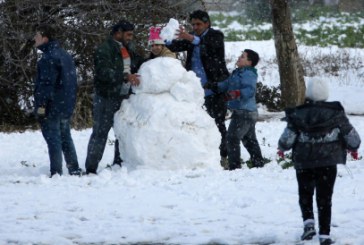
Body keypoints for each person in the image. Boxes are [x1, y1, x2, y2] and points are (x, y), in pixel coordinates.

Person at [277, 78, 361, 245]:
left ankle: (308, 225)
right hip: (328, 162)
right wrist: (353, 147)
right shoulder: (336, 113)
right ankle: (324, 234)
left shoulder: (298, 114)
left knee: (305, 193)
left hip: (304, 161)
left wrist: (282, 148)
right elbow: (352, 137)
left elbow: (287, 139)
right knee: (325, 197)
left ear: (308, 93)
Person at [165, 10, 230, 168]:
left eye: (198, 24)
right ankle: (203, 155)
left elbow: (208, 44)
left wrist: (190, 37)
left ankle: (224, 156)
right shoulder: (192, 39)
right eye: (193, 24)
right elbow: (175, 46)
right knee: (197, 124)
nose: (195, 27)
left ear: (207, 23)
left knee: (218, 123)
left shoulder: (216, 35)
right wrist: (161, 40)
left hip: (214, 89)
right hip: (195, 91)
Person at [85, 20, 143, 174]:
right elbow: (103, 73)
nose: (131, 37)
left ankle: (119, 163)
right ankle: (91, 168)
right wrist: (125, 76)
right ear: (118, 33)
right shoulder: (104, 49)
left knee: (122, 132)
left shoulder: (127, 48)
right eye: (128, 34)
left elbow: (138, 62)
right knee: (100, 132)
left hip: (123, 97)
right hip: (106, 97)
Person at [33, 24, 82, 177]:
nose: (34, 39)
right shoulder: (65, 55)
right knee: (65, 136)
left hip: (52, 105)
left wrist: (41, 105)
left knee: (53, 138)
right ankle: (74, 168)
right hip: (65, 103)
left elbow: (46, 85)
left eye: (37, 36)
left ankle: (56, 172)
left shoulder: (48, 58)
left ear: (45, 38)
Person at [205, 49, 265, 170]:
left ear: (249, 62)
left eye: (242, 57)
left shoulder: (248, 74)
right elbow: (226, 84)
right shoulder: (238, 73)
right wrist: (214, 86)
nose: (239, 58)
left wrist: (236, 93)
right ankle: (258, 164)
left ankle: (235, 167)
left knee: (232, 138)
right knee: (249, 139)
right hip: (247, 112)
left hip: (244, 112)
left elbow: (250, 91)